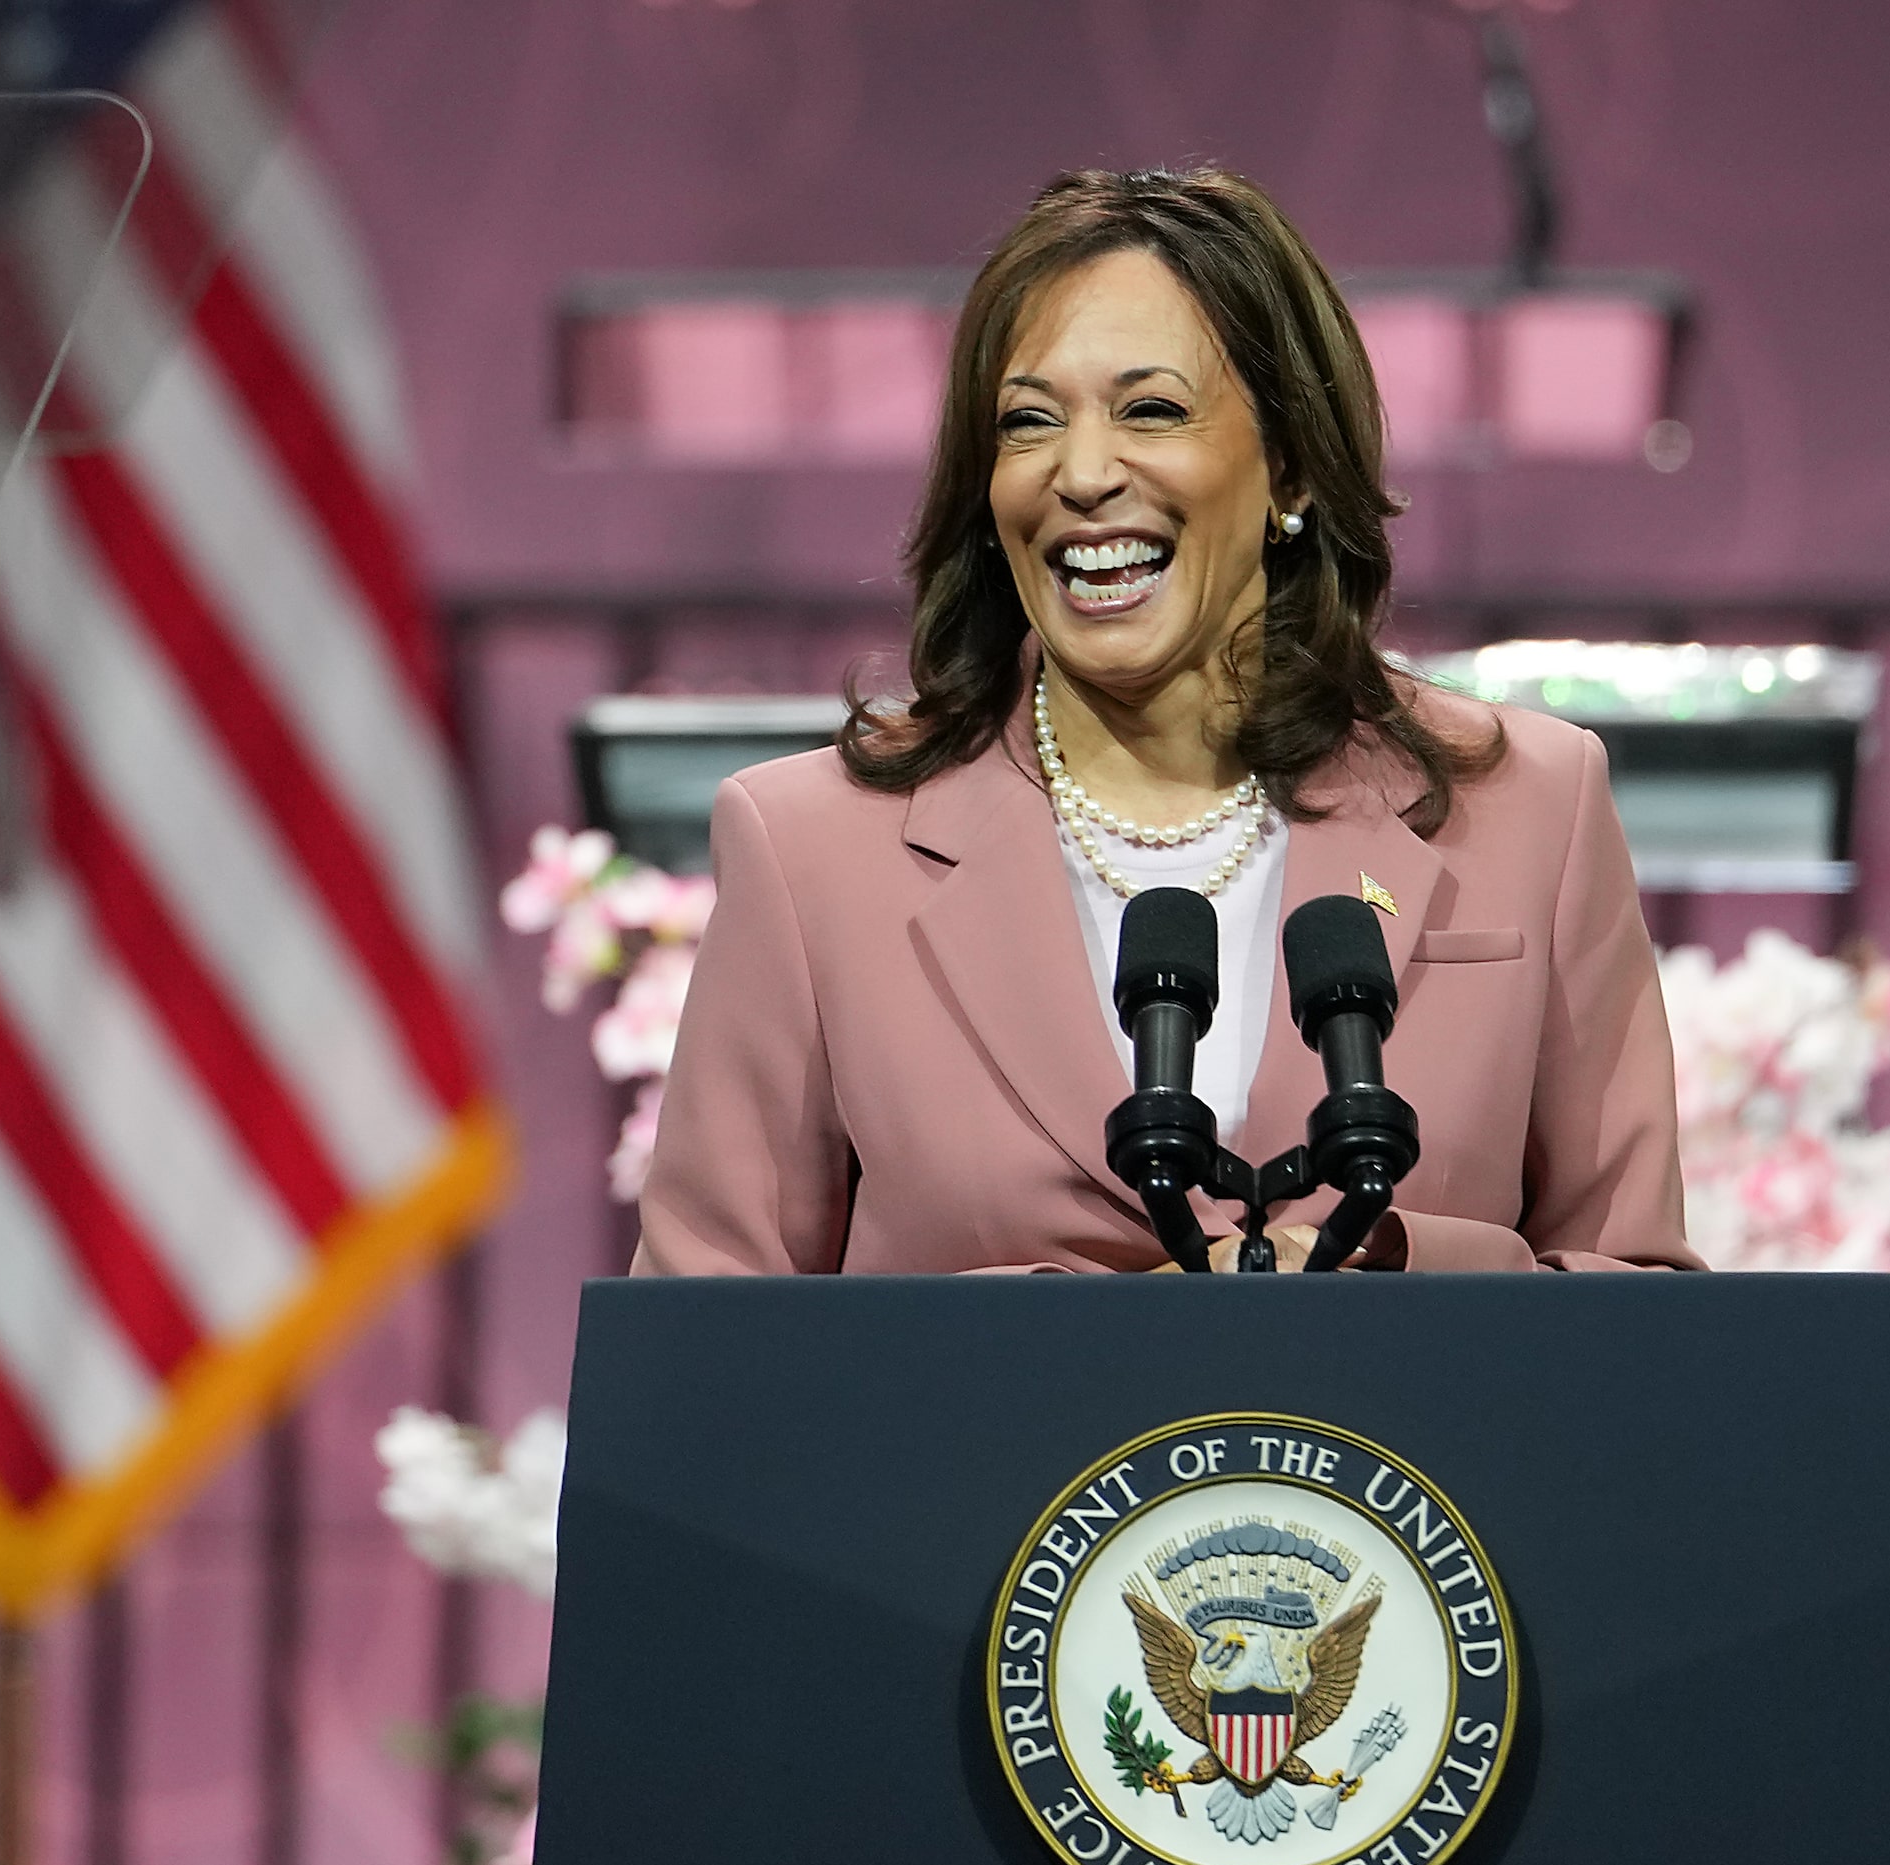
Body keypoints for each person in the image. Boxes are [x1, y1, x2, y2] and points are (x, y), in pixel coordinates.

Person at [635, 168, 1697, 1276]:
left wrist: (1388, 1267)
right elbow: (705, 1358)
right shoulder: (814, 850)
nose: (1083, 474)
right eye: (1028, 422)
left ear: (1287, 459)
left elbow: (1643, 1323)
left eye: (1151, 409)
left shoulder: (1530, 804)